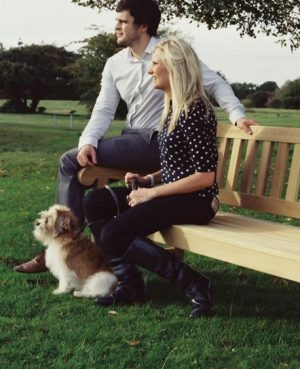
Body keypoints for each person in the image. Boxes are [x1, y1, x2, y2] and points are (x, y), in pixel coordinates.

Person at [14, 0, 257, 273]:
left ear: (142, 26)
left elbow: (215, 83)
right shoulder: (114, 63)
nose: (116, 26)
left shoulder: (168, 54)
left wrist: (236, 114)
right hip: (132, 139)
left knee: (69, 162)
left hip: (158, 141)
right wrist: (88, 142)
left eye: (123, 21)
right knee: (78, 161)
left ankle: (64, 245)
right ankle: (84, 253)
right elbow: (104, 109)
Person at [83, 36, 218, 318]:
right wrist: (149, 180)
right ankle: (131, 284)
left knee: (115, 232)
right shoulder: (172, 108)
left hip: (196, 201)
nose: (149, 70)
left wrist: (153, 193)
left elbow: (205, 177)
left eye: (155, 64)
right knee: (95, 202)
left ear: (174, 67)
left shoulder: (196, 111)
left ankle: (195, 284)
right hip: (174, 193)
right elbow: (177, 165)